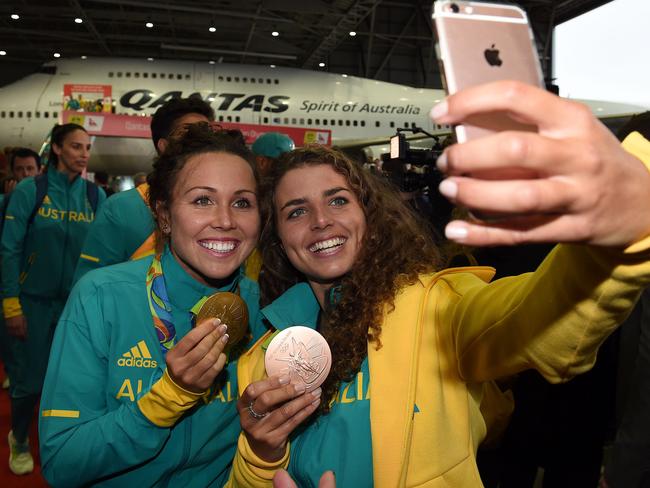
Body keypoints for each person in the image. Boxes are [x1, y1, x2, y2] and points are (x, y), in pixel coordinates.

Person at [227, 81, 650, 487]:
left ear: (369, 219)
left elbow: (535, 320)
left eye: (338, 200)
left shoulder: (435, 311)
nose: (321, 221)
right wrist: (261, 454)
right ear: (278, 239)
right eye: (296, 211)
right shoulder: (263, 354)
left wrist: (622, 242)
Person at [39, 124, 266, 487]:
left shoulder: (265, 308)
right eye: (202, 200)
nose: (225, 221)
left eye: (242, 202)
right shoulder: (100, 297)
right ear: (163, 215)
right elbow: (62, 461)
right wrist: (165, 398)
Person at [1, 123, 106, 475]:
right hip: (31, 303)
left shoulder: (95, 197)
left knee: (70, 382)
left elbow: (104, 256)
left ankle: (56, 440)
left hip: (76, 307)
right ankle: (18, 438)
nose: (84, 154)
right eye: (76, 146)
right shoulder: (32, 190)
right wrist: (11, 304)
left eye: (88, 147)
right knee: (28, 382)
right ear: (57, 149)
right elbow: (9, 249)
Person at [72, 96, 215, 284]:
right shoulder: (121, 209)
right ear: (164, 146)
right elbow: (88, 288)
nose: (203, 143)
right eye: (190, 134)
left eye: (208, 134)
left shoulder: (223, 210)